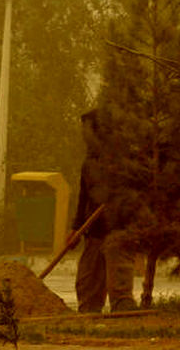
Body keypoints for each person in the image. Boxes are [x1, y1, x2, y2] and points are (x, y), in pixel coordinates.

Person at [71, 109, 136, 313]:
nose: (83, 135)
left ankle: (123, 307)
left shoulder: (120, 159)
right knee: (87, 281)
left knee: (119, 277)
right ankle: (88, 311)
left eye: (86, 130)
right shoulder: (88, 163)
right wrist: (75, 229)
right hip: (94, 232)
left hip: (118, 229)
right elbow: (83, 198)